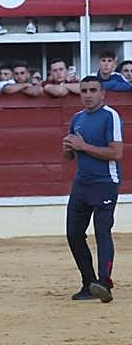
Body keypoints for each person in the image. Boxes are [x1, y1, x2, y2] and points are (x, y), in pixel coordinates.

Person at [62, 76, 122, 302]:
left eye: (93, 90)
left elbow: (116, 153)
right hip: (82, 183)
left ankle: (104, 282)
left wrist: (83, 146)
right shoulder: (77, 118)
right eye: (84, 90)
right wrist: (68, 148)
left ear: (102, 93)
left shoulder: (110, 116)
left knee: (102, 231)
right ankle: (89, 283)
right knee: (74, 234)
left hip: (105, 182)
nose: (88, 95)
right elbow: (70, 155)